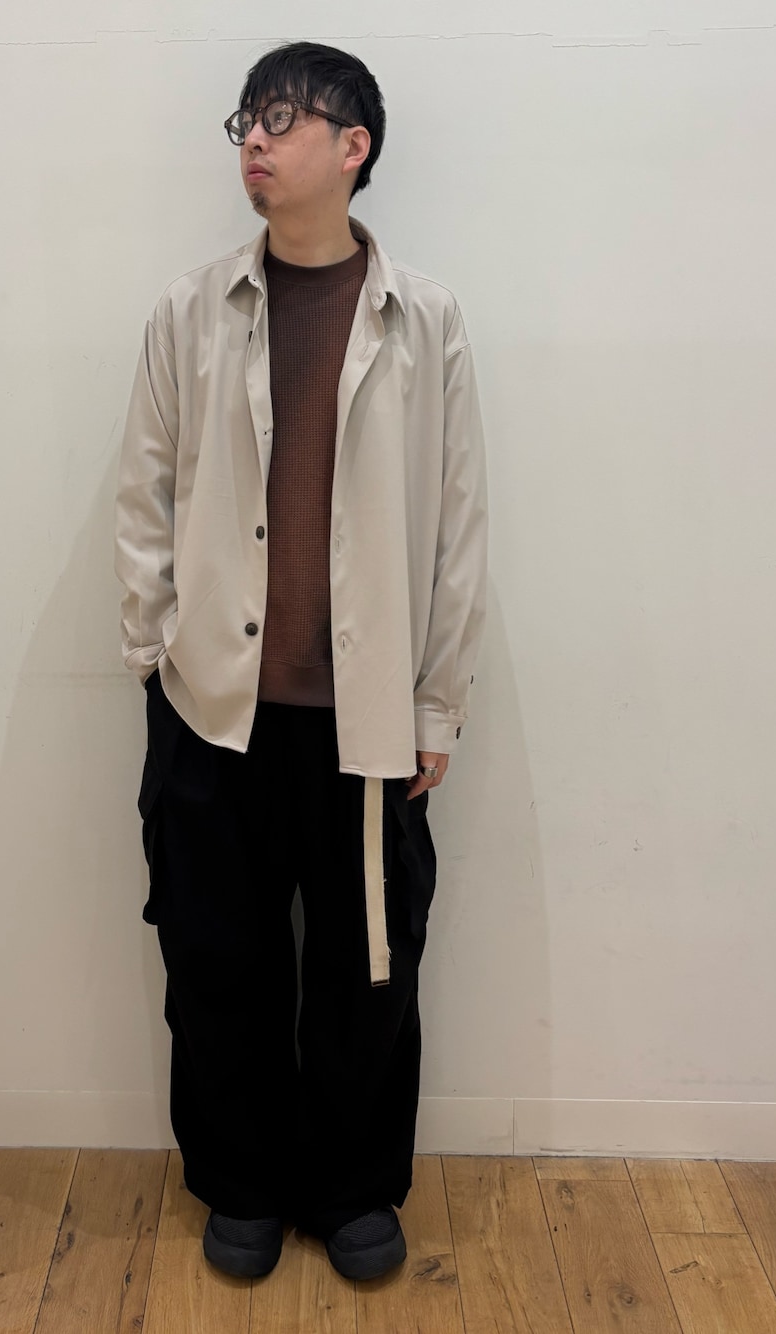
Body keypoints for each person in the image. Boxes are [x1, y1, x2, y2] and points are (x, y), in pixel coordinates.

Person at [114, 40, 488, 1282]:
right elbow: (143, 494)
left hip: (367, 719)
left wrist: (437, 703)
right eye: (246, 122)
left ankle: (353, 1187)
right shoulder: (191, 311)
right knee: (214, 955)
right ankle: (240, 1180)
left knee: (366, 965)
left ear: (353, 145)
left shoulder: (424, 319)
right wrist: (152, 654)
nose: (256, 143)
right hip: (212, 710)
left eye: (281, 119)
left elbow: (458, 522)